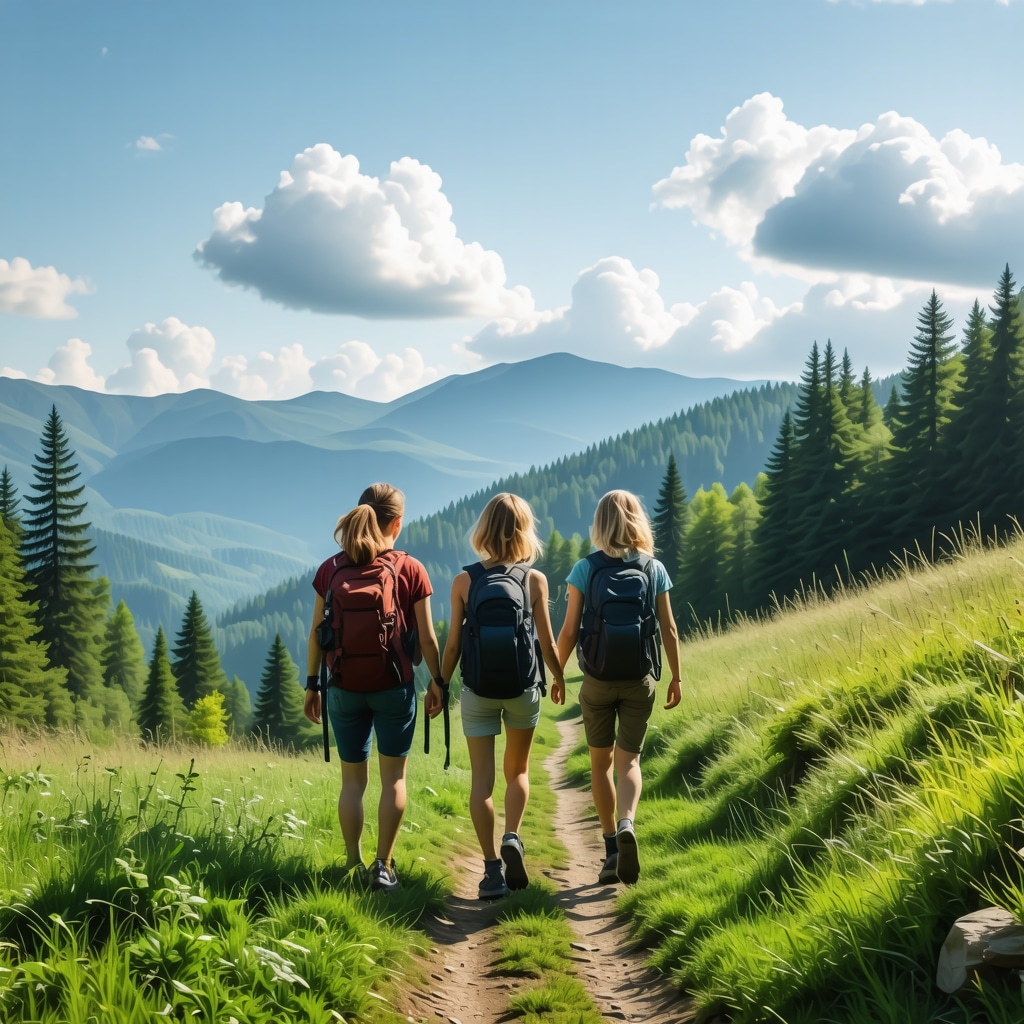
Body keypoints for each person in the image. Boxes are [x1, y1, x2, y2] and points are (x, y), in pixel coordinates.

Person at [305, 482, 442, 893]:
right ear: (397, 523)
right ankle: (383, 866)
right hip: (394, 686)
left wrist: (313, 684)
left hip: (343, 686)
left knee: (352, 783)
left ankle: (351, 861)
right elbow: (429, 638)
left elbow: (316, 632)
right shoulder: (409, 568)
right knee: (393, 780)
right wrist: (438, 681)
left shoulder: (330, 569)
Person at [426, 493, 564, 900]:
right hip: (523, 689)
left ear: (484, 529)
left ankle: (490, 871)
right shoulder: (534, 580)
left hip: (478, 691)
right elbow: (547, 643)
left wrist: (439, 683)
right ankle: (512, 837)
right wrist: (557, 678)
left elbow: (452, 646)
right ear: (525, 531)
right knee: (517, 772)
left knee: (482, 783)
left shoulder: (464, 581)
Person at [553, 489, 681, 886]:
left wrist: (557, 675)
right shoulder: (652, 568)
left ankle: (611, 847)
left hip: (597, 681)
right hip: (639, 679)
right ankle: (628, 822)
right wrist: (677, 676)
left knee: (600, 763)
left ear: (600, 524)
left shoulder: (585, 569)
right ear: (637, 521)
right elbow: (669, 629)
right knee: (629, 762)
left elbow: (570, 630)